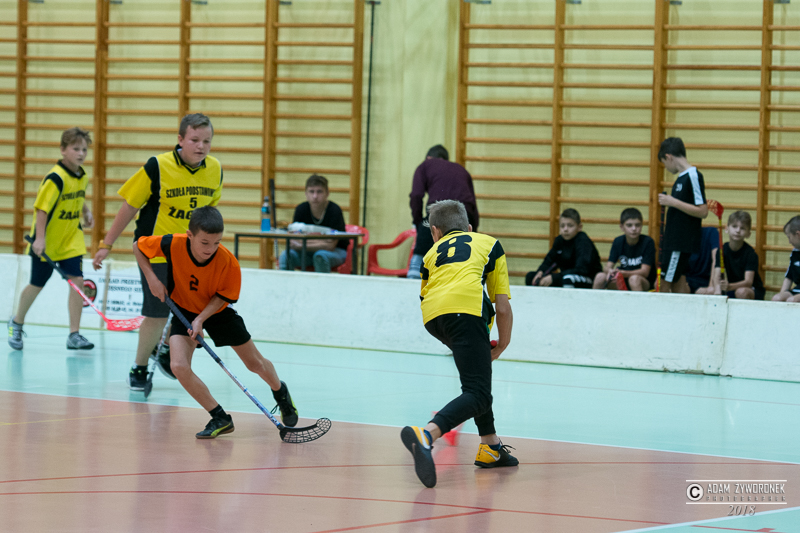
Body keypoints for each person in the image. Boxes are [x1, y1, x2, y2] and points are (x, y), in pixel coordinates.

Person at [133, 206, 298, 438]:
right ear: (189, 235)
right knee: (178, 366)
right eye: (204, 242)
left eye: (216, 243)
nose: (210, 249)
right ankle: (220, 417)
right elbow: (138, 246)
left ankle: (281, 393)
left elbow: (222, 297)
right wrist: (152, 278)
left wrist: (201, 319)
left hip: (217, 311)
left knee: (255, 364)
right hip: (184, 309)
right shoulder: (173, 243)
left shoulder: (228, 262)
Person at [92, 113, 223, 391]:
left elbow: (209, 214)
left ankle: (163, 348)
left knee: (191, 310)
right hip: (156, 252)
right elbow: (129, 206)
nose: (201, 146)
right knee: (157, 312)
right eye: (194, 140)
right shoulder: (158, 166)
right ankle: (139, 367)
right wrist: (106, 244)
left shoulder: (215, 169)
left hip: (190, 255)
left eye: (207, 141)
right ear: (180, 139)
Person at [401, 200, 516, 488]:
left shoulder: (430, 254)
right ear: (469, 228)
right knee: (478, 393)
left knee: (476, 382)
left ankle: (490, 446)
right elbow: (502, 306)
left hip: (434, 318)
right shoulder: (488, 244)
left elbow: (425, 294)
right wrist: (502, 343)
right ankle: (427, 434)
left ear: (435, 232)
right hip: (465, 312)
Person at [8, 127, 95, 351]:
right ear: (63, 150)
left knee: (77, 282)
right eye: (75, 149)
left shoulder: (82, 175)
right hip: (47, 243)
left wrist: (86, 212)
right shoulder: (55, 178)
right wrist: (40, 239)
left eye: (84, 149)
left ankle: (74, 334)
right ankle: (16, 322)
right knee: (37, 284)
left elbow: (77, 196)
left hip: (71, 241)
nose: (81, 154)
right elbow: (42, 209)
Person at [407, 145, 478, 279]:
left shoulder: (425, 165)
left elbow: (416, 196)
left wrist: (419, 224)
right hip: (464, 217)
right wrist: (473, 232)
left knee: (420, 257)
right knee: (460, 265)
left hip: (439, 214)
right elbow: (473, 207)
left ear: (428, 158)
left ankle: (414, 275)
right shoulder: (462, 170)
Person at [657, 137, 709, 293]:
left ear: (669, 157)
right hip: (673, 242)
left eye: (664, 163)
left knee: (663, 284)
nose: (666, 168)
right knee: (679, 283)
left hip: (679, 244)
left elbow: (703, 211)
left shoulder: (693, 176)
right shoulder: (681, 178)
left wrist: (673, 202)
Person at [279, 174, 347, 273]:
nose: (315, 196)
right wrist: (322, 241)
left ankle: (321, 284)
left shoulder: (334, 210)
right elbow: (293, 241)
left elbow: (331, 246)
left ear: (327, 193)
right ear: (306, 194)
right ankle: (286, 283)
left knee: (320, 256)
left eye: (319, 192)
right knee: (286, 255)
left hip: (336, 251)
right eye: (311, 192)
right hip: (306, 253)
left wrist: (302, 244)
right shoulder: (301, 209)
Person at [525, 208, 601, 288]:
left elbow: (582, 269)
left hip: (587, 277)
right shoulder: (559, 241)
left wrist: (555, 277)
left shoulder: (583, 241)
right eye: (562, 226)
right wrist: (540, 272)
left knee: (567, 279)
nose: (565, 229)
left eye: (570, 226)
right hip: (565, 275)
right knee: (531, 277)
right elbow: (549, 260)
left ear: (579, 227)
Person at [593, 207, 656, 291]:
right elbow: (607, 266)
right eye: (629, 225)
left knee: (634, 279)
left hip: (643, 281)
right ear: (622, 227)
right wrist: (610, 271)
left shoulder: (648, 242)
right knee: (600, 276)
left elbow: (645, 272)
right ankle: (592, 300)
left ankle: (639, 300)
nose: (634, 229)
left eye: (637, 225)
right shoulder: (618, 241)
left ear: (641, 226)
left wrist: (623, 273)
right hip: (623, 279)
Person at [711, 211, 764, 300]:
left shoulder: (751, 254)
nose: (738, 230)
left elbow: (748, 282)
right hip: (732, 288)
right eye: (734, 226)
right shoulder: (721, 250)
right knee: (707, 292)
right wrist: (717, 291)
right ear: (726, 228)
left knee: (741, 292)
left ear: (748, 234)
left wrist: (729, 286)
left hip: (750, 289)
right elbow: (717, 274)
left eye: (742, 228)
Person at [772, 215, 800, 303]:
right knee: (776, 298)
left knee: (792, 300)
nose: (789, 242)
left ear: (798, 235)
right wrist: (782, 294)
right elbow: (789, 277)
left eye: (789, 237)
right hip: (797, 290)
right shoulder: (795, 253)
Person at [683, 227, 719, 295]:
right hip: (686, 281)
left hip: (705, 282)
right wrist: (683, 284)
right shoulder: (681, 234)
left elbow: (716, 259)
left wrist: (711, 286)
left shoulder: (711, 232)